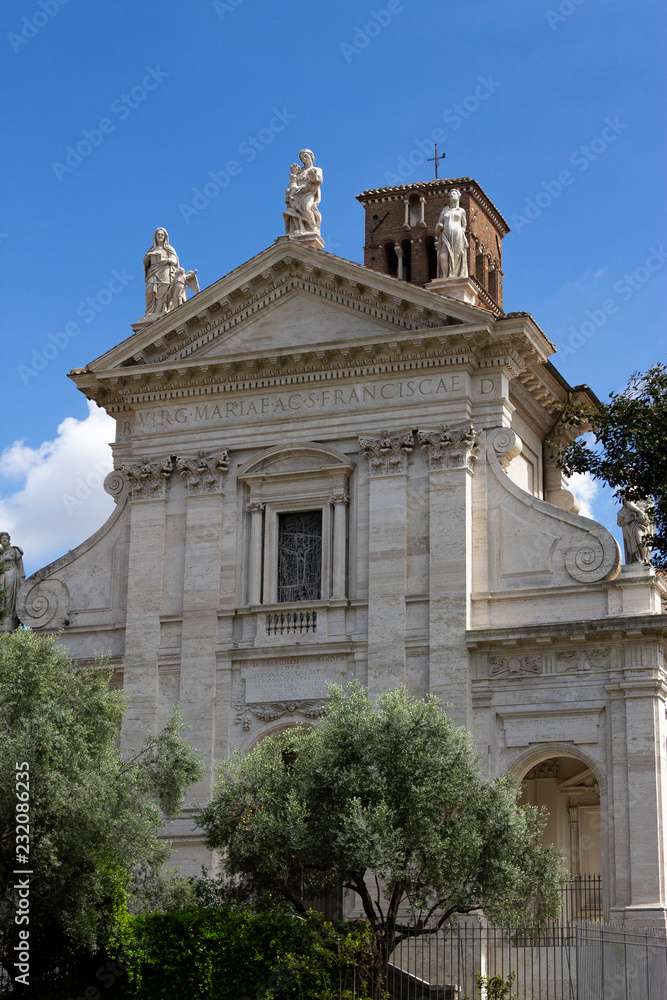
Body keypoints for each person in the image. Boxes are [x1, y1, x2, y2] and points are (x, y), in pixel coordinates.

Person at [283, 149, 323, 236]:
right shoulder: (299, 170)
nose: (304, 159)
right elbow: (293, 181)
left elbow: (319, 181)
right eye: (302, 158)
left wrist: (313, 177)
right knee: (294, 210)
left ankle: (312, 227)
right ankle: (298, 228)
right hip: (296, 193)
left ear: (311, 157)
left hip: (309, 191)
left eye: (305, 156)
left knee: (306, 207)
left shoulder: (316, 169)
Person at [144, 227, 180, 316]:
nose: (160, 236)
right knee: (149, 290)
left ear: (165, 237)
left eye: (162, 235)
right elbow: (145, 263)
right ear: (155, 237)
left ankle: (163, 309)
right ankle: (150, 311)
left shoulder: (169, 249)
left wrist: (166, 260)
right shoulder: (152, 249)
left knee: (164, 291)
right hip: (153, 272)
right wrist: (148, 256)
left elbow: (174, 260)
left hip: (165, 272)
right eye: (158, 234)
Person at [435, 188, 468, 278]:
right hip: (445, 236)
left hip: (457, 236)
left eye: (454, 194)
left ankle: (453, 275)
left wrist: (461, 233)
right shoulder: (445, 211)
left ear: (458, 197)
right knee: (443, 256)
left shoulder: (461, 211)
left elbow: (464, 225)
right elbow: (437, 227)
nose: (452, 195)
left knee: (456, 256)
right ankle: (445, 275)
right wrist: (439, 226)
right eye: (451, 194)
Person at [0, 532, 25, 628]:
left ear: (9, 540)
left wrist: (22, 579)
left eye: (6, 538)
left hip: (11, 573)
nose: (4, 539)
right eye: (2, 538)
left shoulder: (15, 550)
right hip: (1, 574)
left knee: (9, 594)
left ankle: (8, 615)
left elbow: (20, 566)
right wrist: (3, 559)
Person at [617, 498, 653, 564]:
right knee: (633, 541)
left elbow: (650, 510)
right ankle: (637, 559)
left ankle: (644, 559)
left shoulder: (646, 498)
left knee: (641, 539)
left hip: (642, 524)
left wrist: (643, 513)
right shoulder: (629, 494)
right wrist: (639, 511)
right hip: (631, 524)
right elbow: (628, 502)